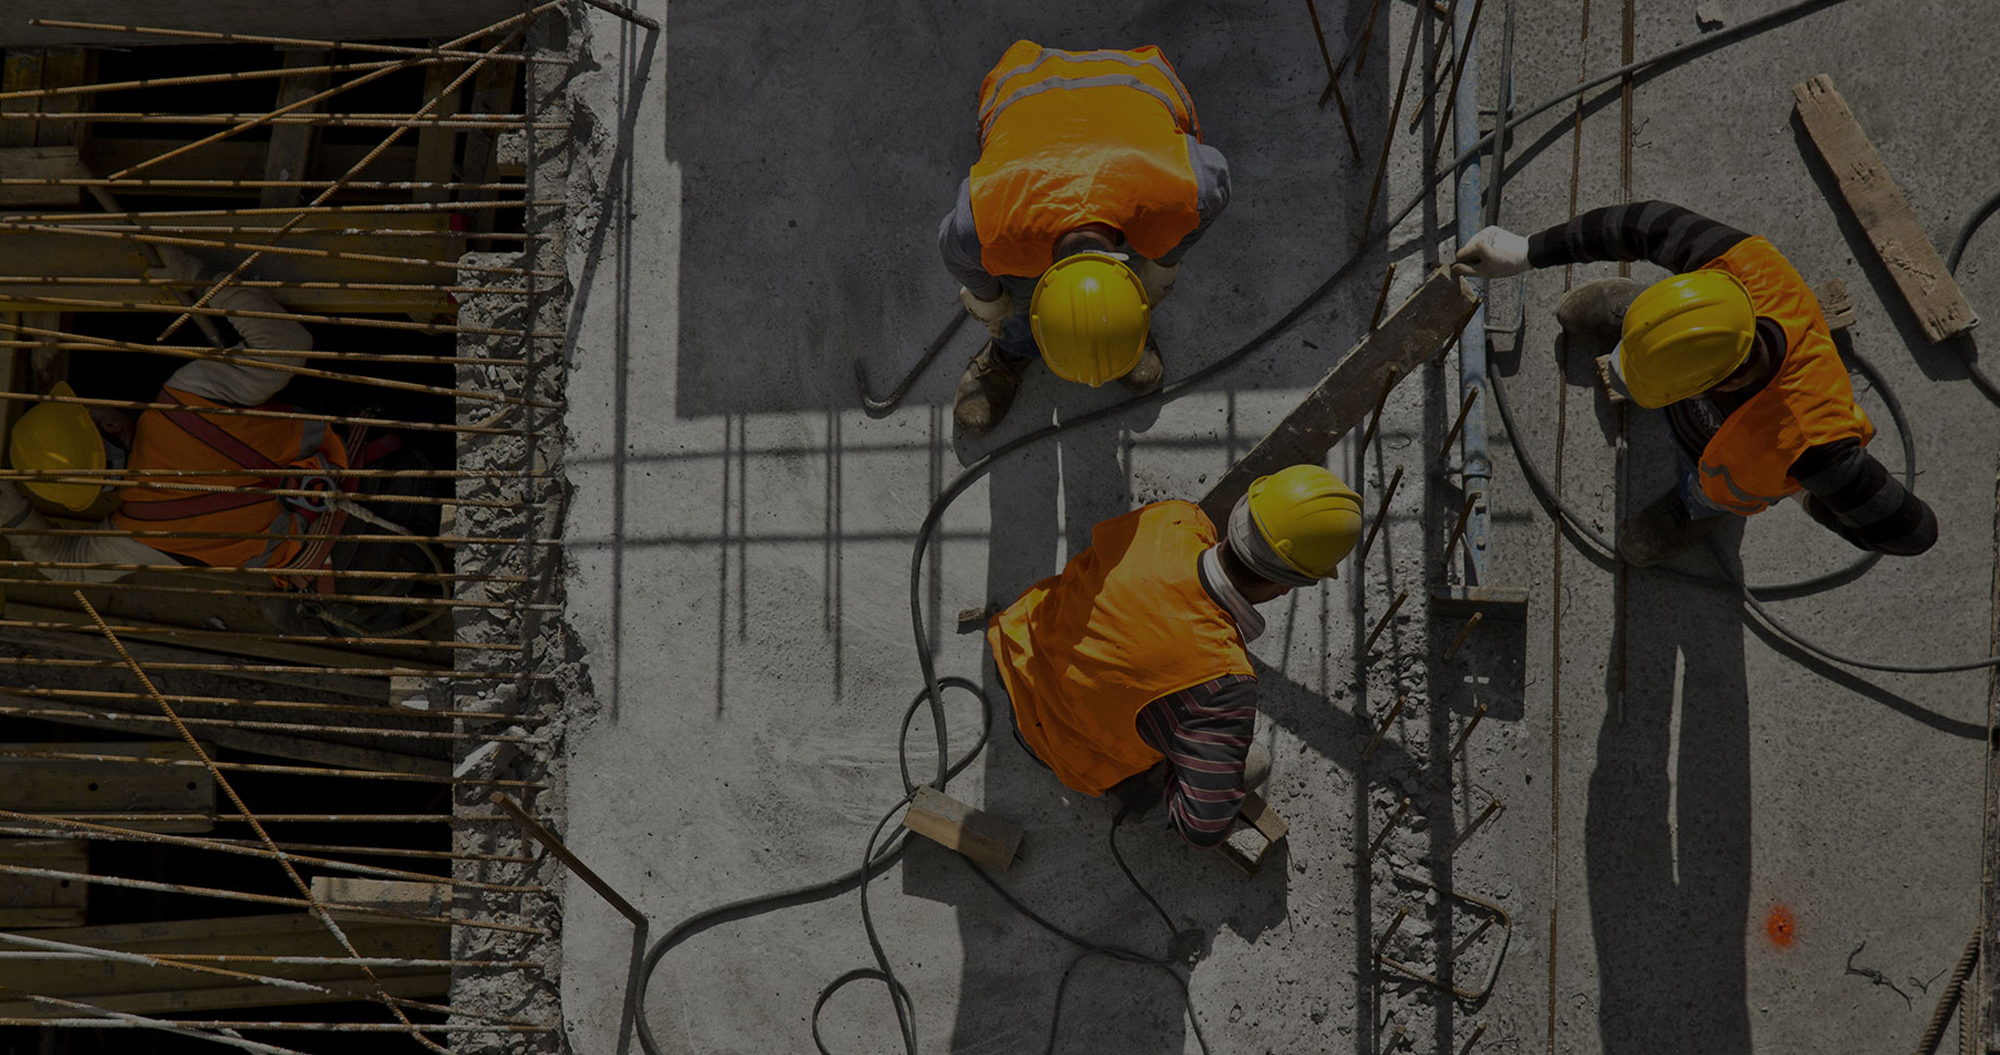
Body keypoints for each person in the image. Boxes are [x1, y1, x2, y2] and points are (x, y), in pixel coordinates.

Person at [1453, 200, 1937, 563]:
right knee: (1661, 330)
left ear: (1712, 385)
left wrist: (1806, 495)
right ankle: (1647, 318)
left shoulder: (1814, 444)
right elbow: (1641, 223)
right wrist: (1528, 251)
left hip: (1721, 471)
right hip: (1692, 335)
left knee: (1709, 491)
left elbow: (1913, 533)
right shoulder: (1743, 266)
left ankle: (1695, 508)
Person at [0, 246, 435, 633]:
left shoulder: (140, 535)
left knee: (283, 611)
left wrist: (14, 514)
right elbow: (287, 342)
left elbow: (69, 568)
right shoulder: (185, 398)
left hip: (371, 576)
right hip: (405, 486)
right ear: (109, 427)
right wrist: (203, 279)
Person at [986, 465, 1362, 849]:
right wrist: (1184, 746)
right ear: (1286, 586)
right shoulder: (1222, 685)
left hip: (1017, 649)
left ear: (1241, 512)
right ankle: (1135, 792)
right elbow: (1202, 827)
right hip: (1054, 745)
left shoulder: (1172, 520)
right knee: (1254, 763)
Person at [938, 40, 1231, 435]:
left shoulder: (1182, 189)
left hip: (1139, 78)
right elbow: (954, 251)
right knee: (1015, 291)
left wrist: (1164, 263)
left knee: (1144, 247)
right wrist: (991, 301)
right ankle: (1015, 346)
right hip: (1024, 84)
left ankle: (1113, 328)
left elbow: (1215, 184)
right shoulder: (989, 225)